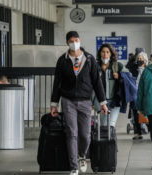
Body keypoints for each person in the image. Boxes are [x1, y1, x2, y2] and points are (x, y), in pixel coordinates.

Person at [50, 31, 108, 175]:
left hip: (85, 101)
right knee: (72, 133)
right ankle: (73, 166)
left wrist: (102, 102)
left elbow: (97, 82)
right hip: (68, 100)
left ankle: (82, 155)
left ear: (80, 40)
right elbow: (57, 83)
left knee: (85, 134)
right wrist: (54, 104)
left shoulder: (89, 59)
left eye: (76, 40)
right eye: (71, 40)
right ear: (67, 43)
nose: (74, 43)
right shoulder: (62, 60)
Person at [97, 43, 124, 127]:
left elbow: (129, 79)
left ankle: (112, 139)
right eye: (103, 52)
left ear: (111, 54)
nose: (105, 54)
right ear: (100, 53)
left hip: (114, 100)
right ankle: (105, 140)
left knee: (111, 125)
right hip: (100, 101)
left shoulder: (117, 65)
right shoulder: (95, 66)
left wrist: (120, 77)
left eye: (107, 52)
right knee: (103, 125)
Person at [132, 51, 149, 140]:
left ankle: (151, 131)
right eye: (138, 59)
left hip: (145, 95)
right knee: (135, 114)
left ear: (145, 61)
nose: (139, 60)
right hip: (135, 94)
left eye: (141, 59)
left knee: (147, 113)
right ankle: (138, 133)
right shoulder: (134, 70)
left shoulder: (147, 71)